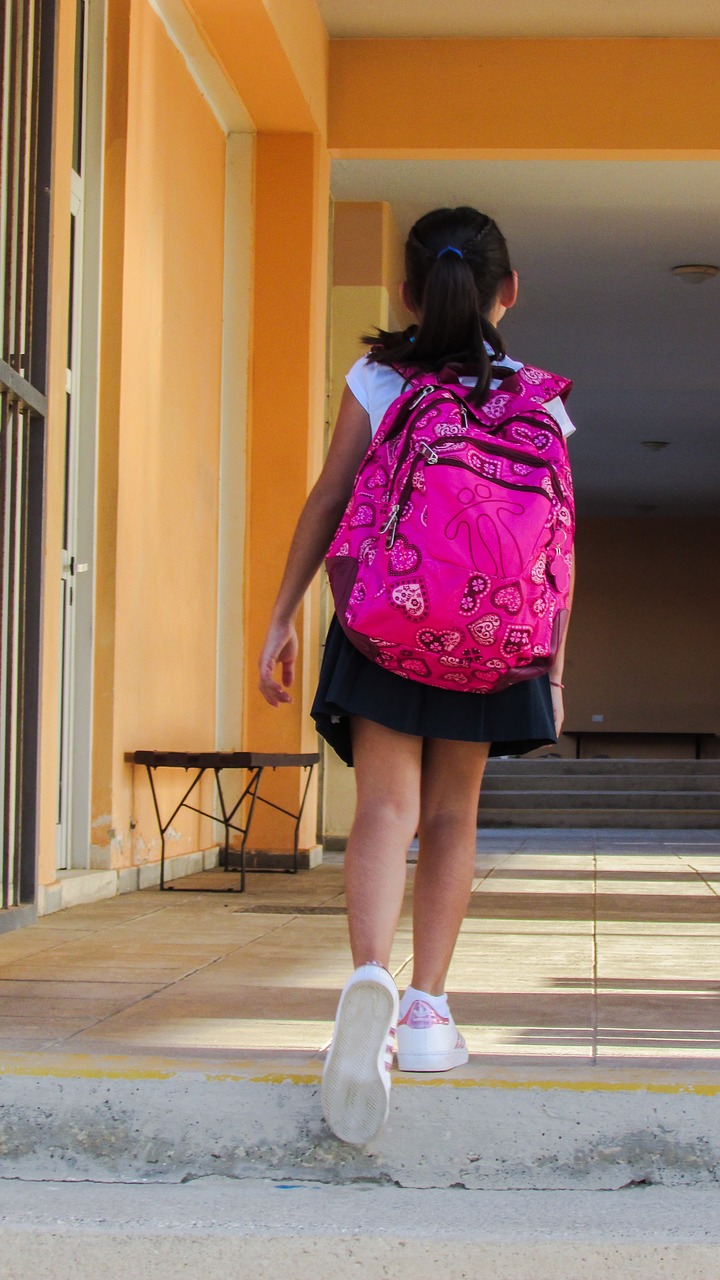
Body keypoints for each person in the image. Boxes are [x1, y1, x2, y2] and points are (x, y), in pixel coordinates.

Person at [258, 206, 575, 1146]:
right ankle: (428, 1008)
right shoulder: (542, 399)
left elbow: (329, 496)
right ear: (509, 291)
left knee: (384, 811)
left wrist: (281, 615)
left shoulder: (377, 379)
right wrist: (553, 665)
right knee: (451, 817)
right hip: (491, 636)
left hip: (387, 621)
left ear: (406, 292)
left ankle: (368, 981)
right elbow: (559, 544)